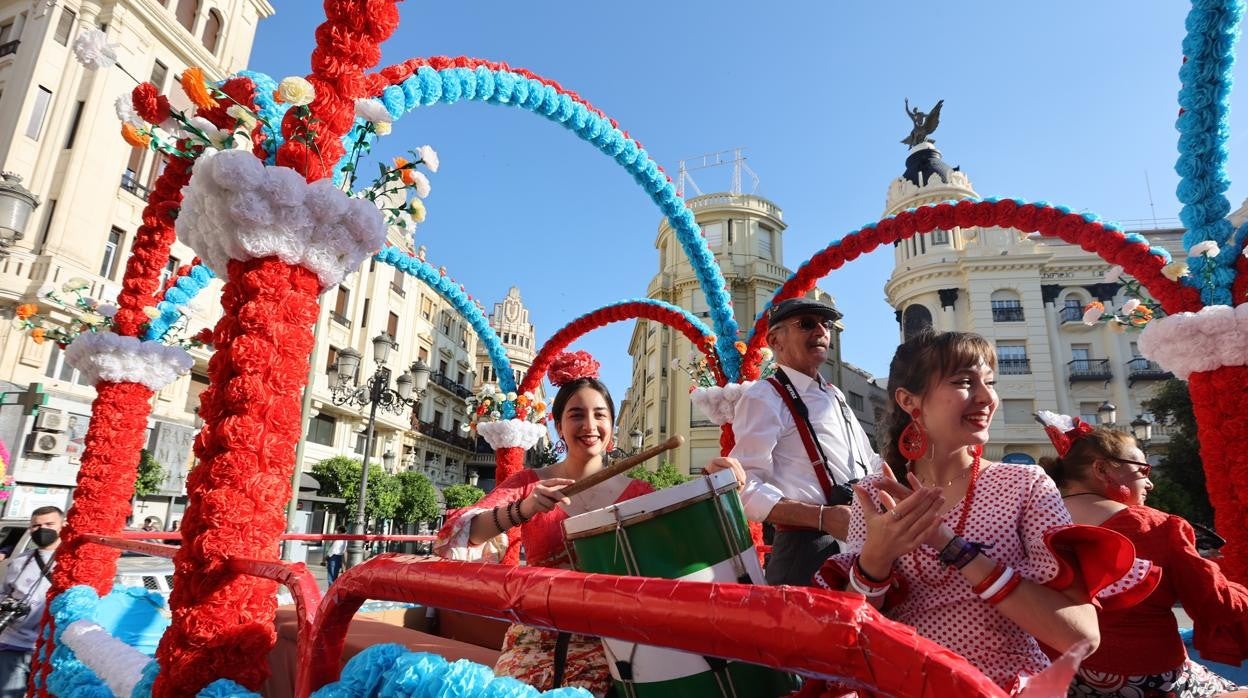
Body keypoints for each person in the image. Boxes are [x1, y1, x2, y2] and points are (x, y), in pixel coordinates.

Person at [803, 331, 1141, 693]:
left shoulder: (1025, 485)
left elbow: (1081, 635)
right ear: (909, 400)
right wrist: (876, 558)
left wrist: (952, 546)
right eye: (964, 382)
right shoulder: (874, 493)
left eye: (990, 382)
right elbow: (851, 631)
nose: (987, 397)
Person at [435, 350, 655, 696]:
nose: (589, 426)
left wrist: (720, 479)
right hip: (536, 639)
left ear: (613, 425)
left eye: (600, 415)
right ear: (558, 425)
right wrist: (524, 508)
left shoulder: (641, 492)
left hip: (617, 644)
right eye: (576, 415)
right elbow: (457, 537)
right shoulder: (528, 483)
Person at [1037, 412, 1248, 696]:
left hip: (1057, 674)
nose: (1150, 483)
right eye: (1142, 471)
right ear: (1102, 470)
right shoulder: (1157, 526)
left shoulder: (1034, 520)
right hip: (1145, 677)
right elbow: (1215, 602)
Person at [728, 297, 883, 585]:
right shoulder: (763, 396)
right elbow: (743, 487)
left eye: (826, 325)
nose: (822, 332)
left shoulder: (835, 396)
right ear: (776, 340)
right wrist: (823, 517)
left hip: (860, 546)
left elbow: (871, 462)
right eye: (807, 324)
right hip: (805, 553)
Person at [0, 506, 63, 697]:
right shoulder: (21, 560)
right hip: (14, 644)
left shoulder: (73, 561)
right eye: (36, 526)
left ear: (63, 525)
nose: (42, 529)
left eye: (49, 524)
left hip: (53, 648)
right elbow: (4, 592)